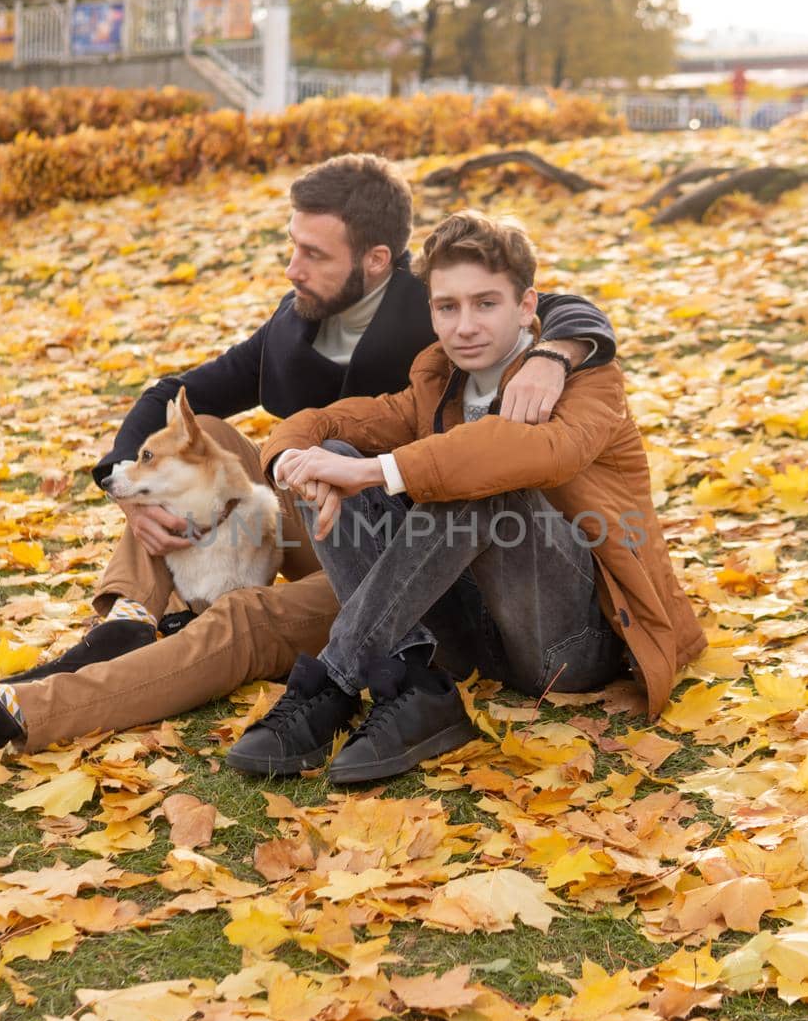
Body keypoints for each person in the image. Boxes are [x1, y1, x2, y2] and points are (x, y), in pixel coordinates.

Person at [0, 154, 618, 765]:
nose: (292, 268)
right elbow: (179, 392)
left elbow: (553, 303)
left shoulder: (446, 300)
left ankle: (14, 713)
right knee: (207, 442)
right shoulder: (309, 325)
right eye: (292, 246)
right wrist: (128, 485)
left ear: (379, 261)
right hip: (342, 519)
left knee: (247, 619)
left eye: (313, 254)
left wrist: (559, 347)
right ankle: (130, 614)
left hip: (424, 559)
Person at [226, 210, 707, 783]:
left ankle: (336, 678)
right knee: (332, 462)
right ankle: (415, 681)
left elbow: (541, 453)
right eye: (447, 307)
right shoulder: (438, 381)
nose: (465, 326)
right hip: (469, 638)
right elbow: (320, 422)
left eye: (486, 304)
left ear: (527, 306)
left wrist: (381, 471)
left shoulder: (589, 380)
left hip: (570, 645)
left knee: (482, 481)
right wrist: (291, 464)